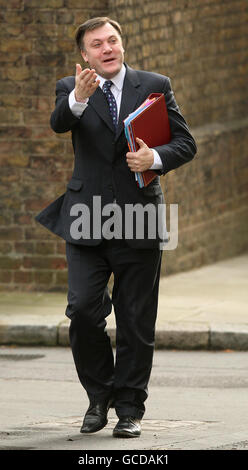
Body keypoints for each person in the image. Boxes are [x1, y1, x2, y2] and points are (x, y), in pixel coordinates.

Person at [36, 17, 197, 438]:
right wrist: (76, 98)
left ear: (122, 45)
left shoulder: (155, 84)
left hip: (139, 215)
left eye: (112, 40)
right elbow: (59, 123)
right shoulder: (70, 90)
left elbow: (185, 143)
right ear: (85, 55)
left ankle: (129, 409)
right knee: (83, 310)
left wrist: (154, 159)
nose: (107, 48)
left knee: (135, 319)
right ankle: (98, 396)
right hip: (86, 217)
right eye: (97, 44)